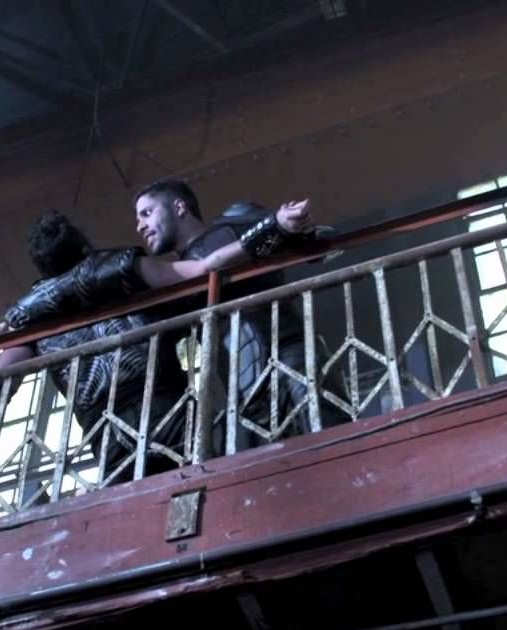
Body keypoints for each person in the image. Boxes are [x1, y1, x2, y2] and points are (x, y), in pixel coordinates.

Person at [0, 208, 312, 485]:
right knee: (233, 482)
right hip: (171, 417)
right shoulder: (122, 267)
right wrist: (275, 227)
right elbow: (205, 268)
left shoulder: (29, 316)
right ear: (83, 247)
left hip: (109, 441)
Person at [134, 180, 351, 445]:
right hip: (244, 394)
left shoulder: (236, 223)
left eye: (147, 213)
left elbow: (324, 243)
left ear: (179, 207)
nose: (140, 226)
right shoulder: (173, 277)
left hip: (292, 358)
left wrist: (294, 229)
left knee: (335, 444)